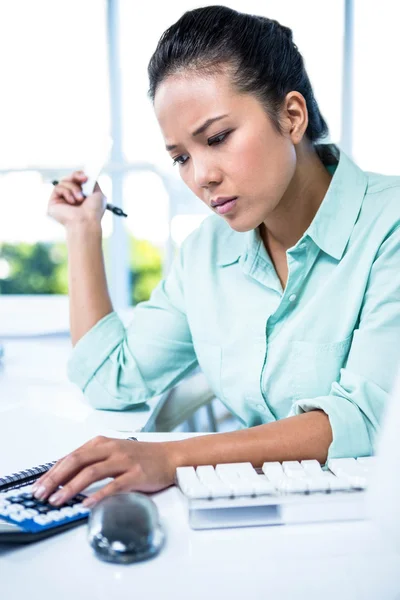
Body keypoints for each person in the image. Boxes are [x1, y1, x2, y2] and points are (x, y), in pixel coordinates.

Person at [32, 5, 400, 508]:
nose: (200, 176)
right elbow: (112, 380)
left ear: (291, 116)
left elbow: (364, 419)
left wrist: (172, 457)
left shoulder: (390, 225)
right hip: (262, 518)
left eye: (218, 138)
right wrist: (82, 231)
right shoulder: (206, 253)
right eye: (181, 157)